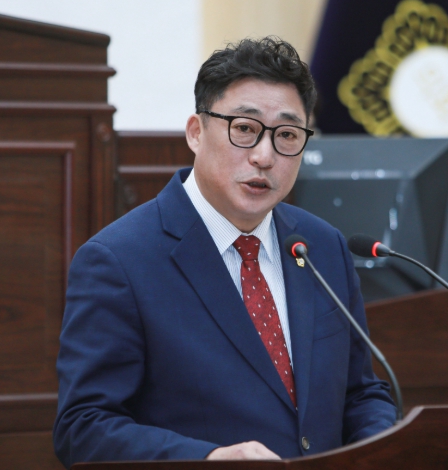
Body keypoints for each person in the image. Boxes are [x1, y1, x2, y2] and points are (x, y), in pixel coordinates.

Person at [53, 37, 396, 468]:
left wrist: (380, 447)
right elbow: (83, 427)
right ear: (196, 133)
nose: (265, 156)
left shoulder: (322, 246)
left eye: (287, 135)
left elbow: (360, 393)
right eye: (245, 129)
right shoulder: (118, 261)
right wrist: (209, 458)